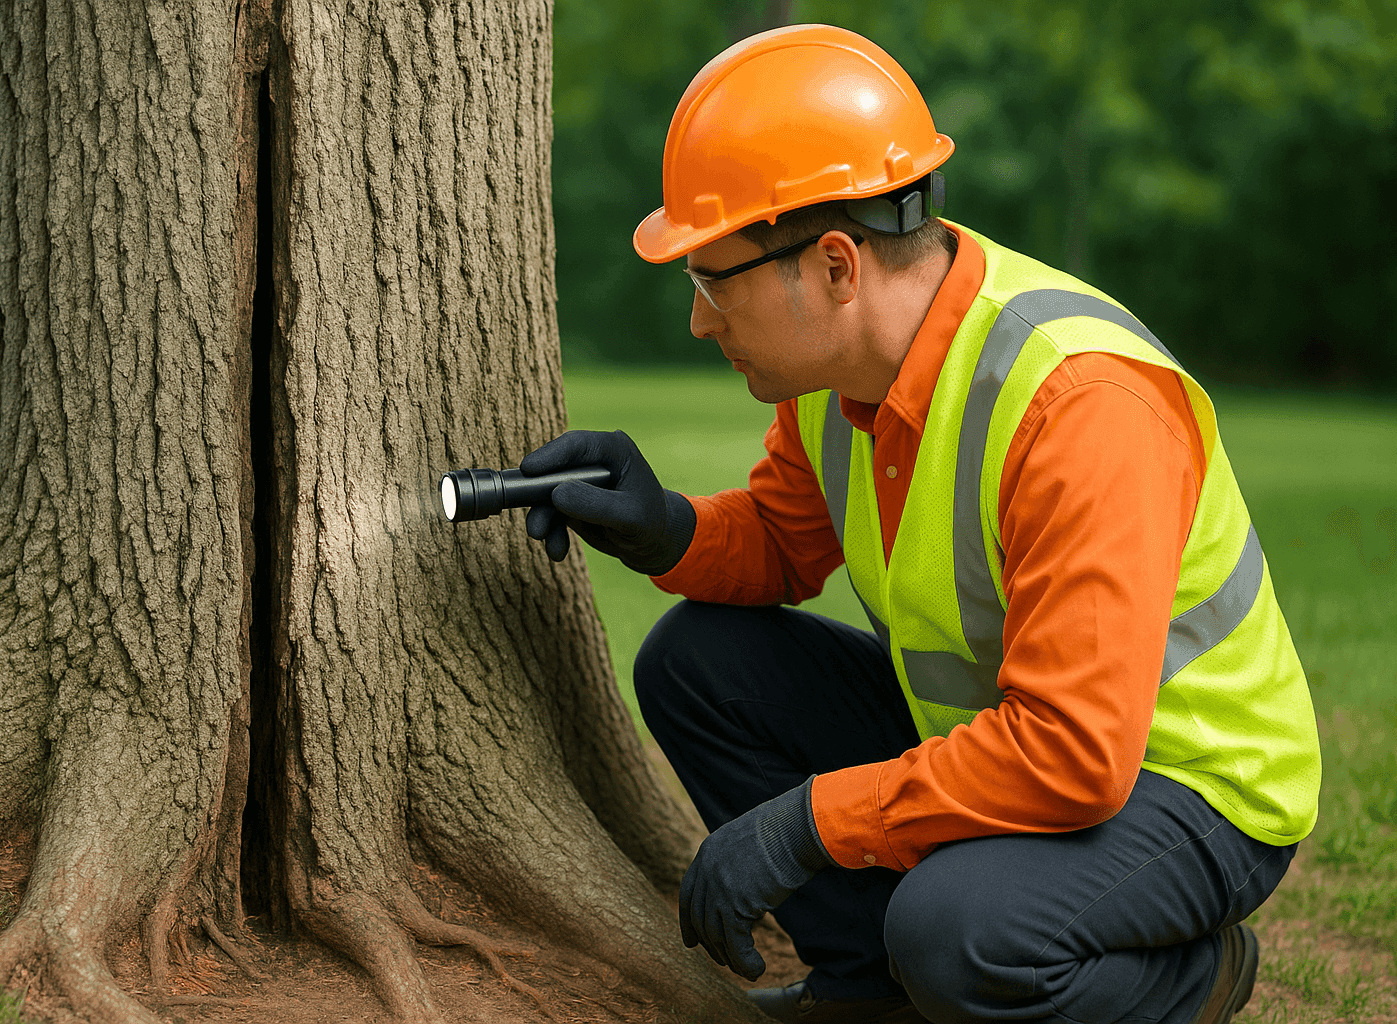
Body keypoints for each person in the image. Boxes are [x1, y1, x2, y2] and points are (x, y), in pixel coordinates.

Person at [520, 23, 1320, 1024]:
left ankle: (1197, 979)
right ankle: (868, 994)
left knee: (957, 931)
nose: (699, 320)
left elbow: (1073, 753)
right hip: (1010, 738)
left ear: (838, 267)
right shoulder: (829, 377)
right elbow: (782, 542)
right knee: (697, 663)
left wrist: (805, 825)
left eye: (713, 280)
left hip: (1188, 786)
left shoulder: (1078, 403)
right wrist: (662, 528)